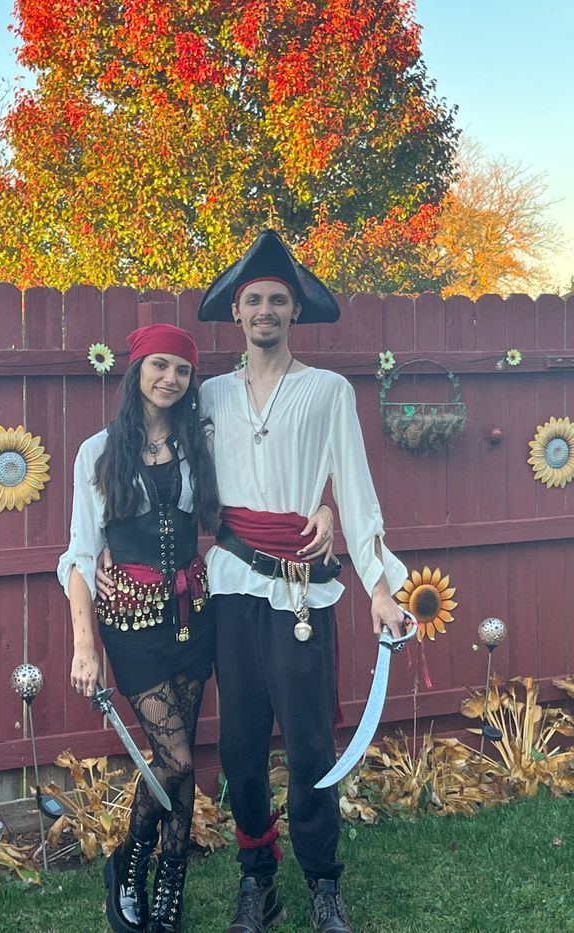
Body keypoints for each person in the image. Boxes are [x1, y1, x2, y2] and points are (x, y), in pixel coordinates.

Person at [196, 229, 408, 933]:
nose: (264, 310)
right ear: (236, 312)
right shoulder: (208, 396)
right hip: (231, 588)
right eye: (253, 299)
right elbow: (162, 464)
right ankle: (259, 879)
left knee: (312, 745)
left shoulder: (328, 391)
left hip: (300, 593)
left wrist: (379, 583)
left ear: (294, 312)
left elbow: (355, 483)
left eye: (277, 300)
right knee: (241, 747)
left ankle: (322, 881)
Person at [57, 323, 220, 933]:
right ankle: (128, 867)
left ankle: (170, 883)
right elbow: (79, 553)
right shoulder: (98, 453)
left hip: (193, 618)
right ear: (136, 372)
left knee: (178, 759)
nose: (170, 379)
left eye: (181, 370)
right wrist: (84, 647)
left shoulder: (200, 446)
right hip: (129, 621)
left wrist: (326, 507)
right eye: (159, 366)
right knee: (174, 760)